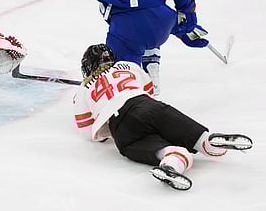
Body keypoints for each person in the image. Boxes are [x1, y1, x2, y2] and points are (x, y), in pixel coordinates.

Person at [73, 43, 253, 191]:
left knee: (171, 152)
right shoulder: (129, 66)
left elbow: (86, 132)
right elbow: (150, 91)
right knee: (199, 139)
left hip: (122, 129)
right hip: (147, 105)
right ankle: (211, 143)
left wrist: (104, 133)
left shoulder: (83, 89)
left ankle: (170, 165)